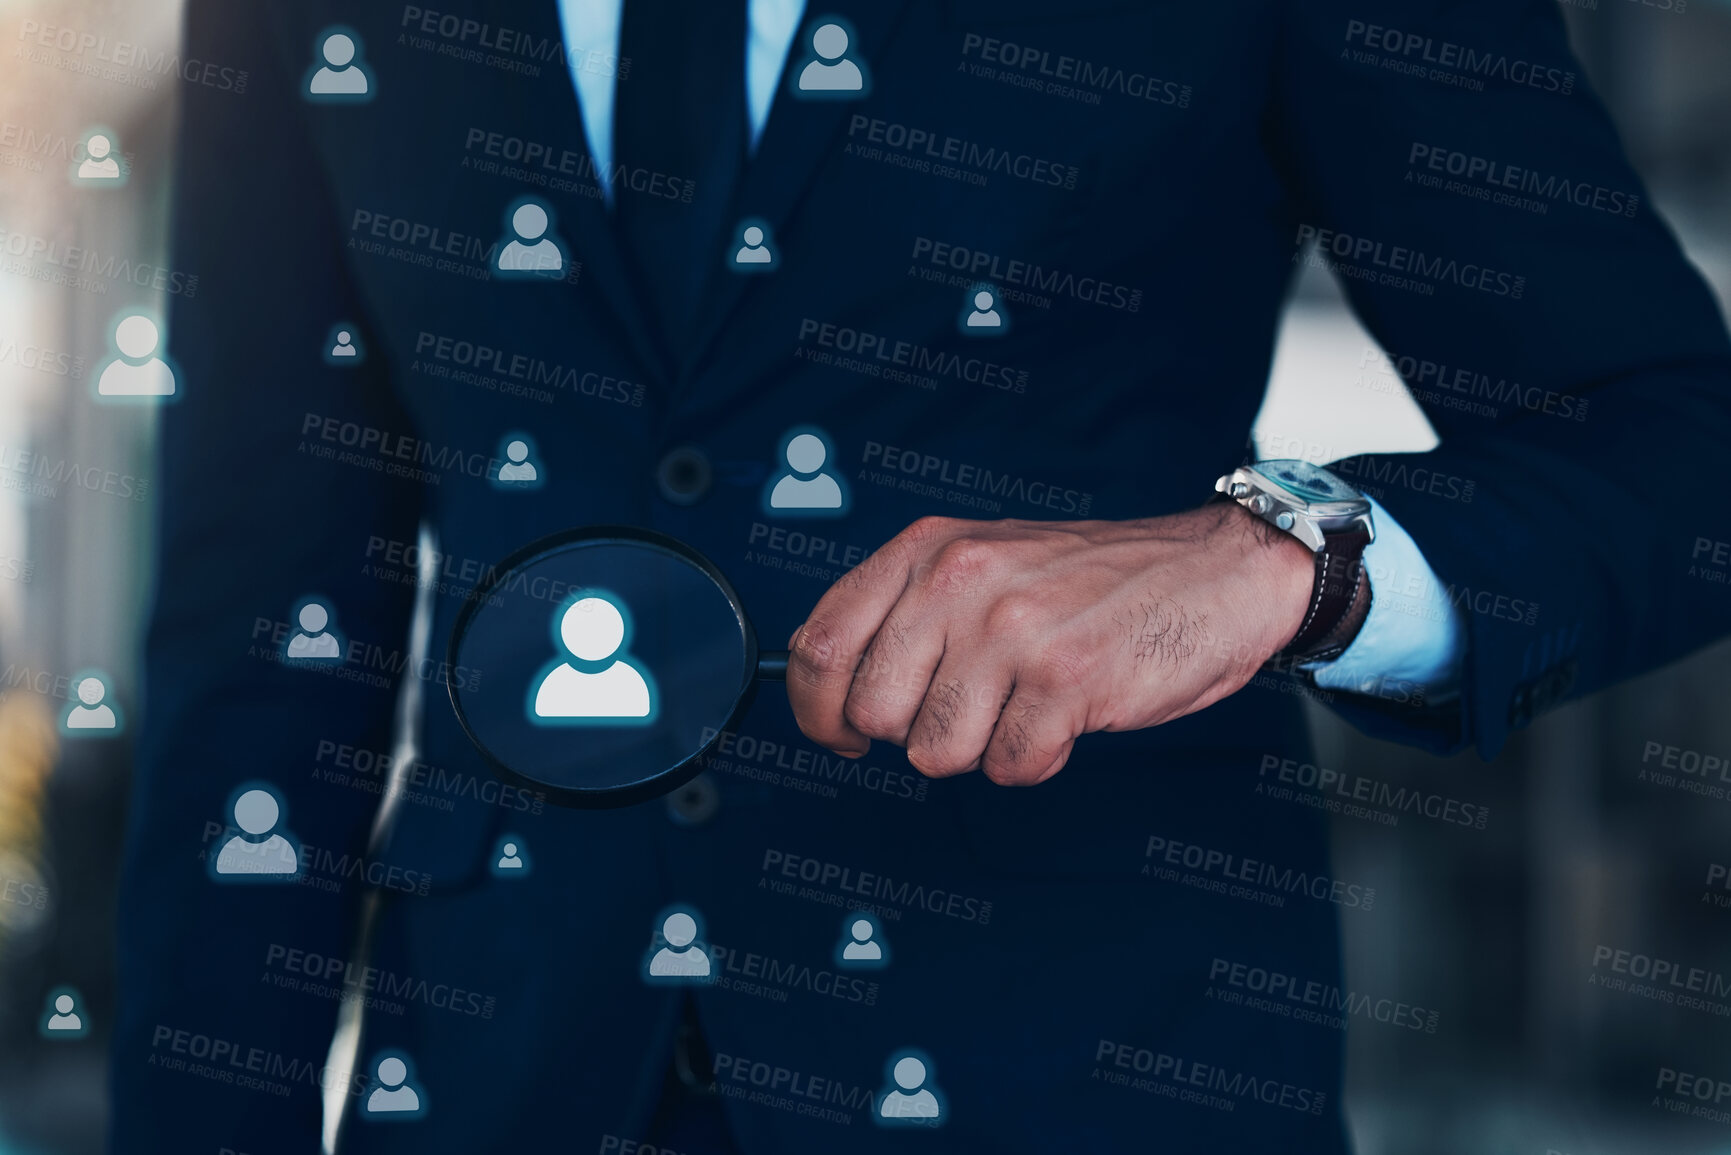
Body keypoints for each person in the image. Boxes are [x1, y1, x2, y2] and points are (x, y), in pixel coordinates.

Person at [115, 2, 1731, 1154]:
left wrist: (1279, 561)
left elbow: (1674, 446)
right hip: (497, 1067)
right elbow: (257, 638)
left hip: (1084, 1057)